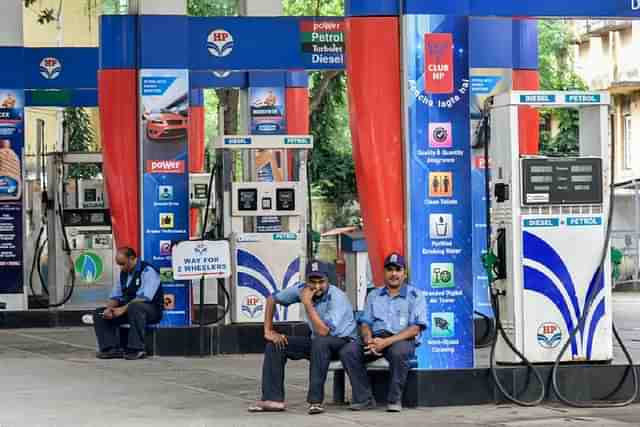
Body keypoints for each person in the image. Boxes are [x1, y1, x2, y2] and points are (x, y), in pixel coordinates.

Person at [249, 260, 356, 415]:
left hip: (342, 343)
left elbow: (324, 331)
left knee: (320, 342)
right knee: (277, 343)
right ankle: (272, 399)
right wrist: (268, 330)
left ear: (328, 281)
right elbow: (272, 299)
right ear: (306, 282)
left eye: (321, 282)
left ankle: (315, 401)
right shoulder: (301, 289)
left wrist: (307, 302)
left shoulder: (337, 297)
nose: (317, 286)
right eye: (312, 282)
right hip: (318, 342)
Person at [339, 252, 427, 413]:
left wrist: (385, 342)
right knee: (348, 352)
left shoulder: (415, 295)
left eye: (398, 269)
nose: (394, 274)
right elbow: (365, 323)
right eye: (389, 269)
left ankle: (394, 399)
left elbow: (415, 329)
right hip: (375, 338)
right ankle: (364, 398)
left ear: (404, 273)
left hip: (402, 339)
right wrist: (368, 340)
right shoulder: (374, 295)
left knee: (398, 353)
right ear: (384, 273)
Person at [93, 247, 164, 360]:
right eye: (119, 264)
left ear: (131, 258)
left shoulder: (147, 271)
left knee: (135, 307)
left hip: (150, 310)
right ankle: (111, 348)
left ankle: (137, 349)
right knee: (99, 313)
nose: (121, 267)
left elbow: (144, 297)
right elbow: (115, 296)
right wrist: (109, 309)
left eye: (123, 264)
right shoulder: (124, 274)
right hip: (128, 309)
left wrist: (122, 309)